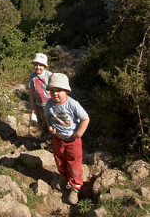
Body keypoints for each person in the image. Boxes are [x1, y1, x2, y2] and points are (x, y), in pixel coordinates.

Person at [45, 73, 90, 205]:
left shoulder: (72, 104)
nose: (55, 94)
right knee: (59, 159)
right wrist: (49, 127)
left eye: (59, 90)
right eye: (52, 90)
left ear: (66, 91)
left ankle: (75, 187)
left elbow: (85, 118)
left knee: (74, 163)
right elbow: (47, 116)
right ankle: (63, 177)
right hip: (57, 138)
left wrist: (79, 133)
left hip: (72, 141)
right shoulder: (49, 103)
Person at [28, 53, 52, 137]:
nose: (38, 67)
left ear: (45, 66)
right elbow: (31, 92)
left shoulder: (49, 75)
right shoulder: (32, 77)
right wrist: (32, 106)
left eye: (41, 65)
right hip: (39, 104)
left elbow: (54, 89)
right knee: (42, 121)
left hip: (50, 104)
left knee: (50, 122)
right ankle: (44, 136)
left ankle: (50, 138)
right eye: (36, 65)